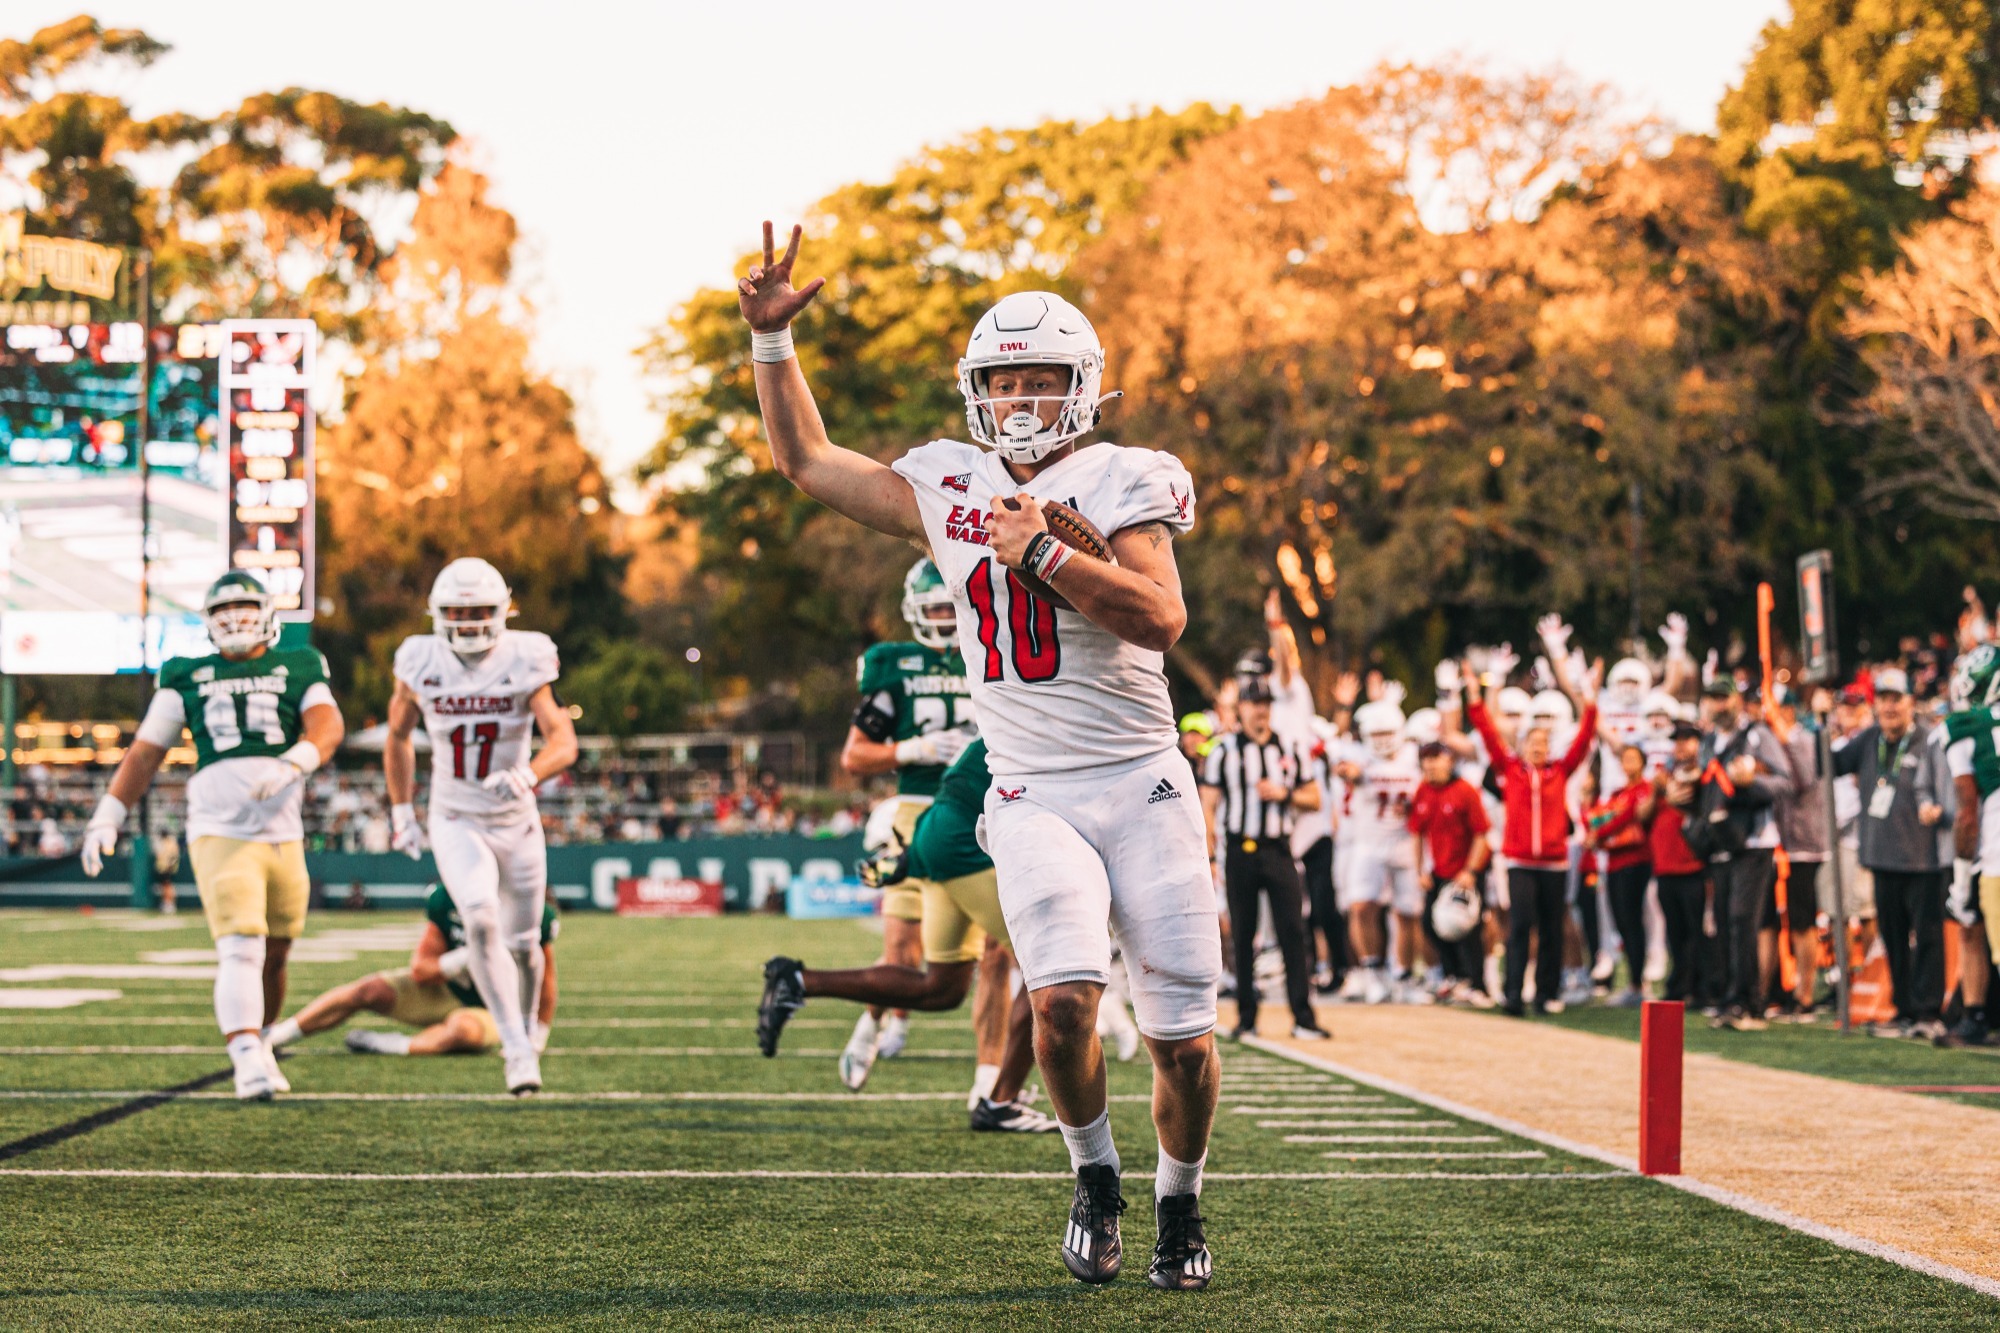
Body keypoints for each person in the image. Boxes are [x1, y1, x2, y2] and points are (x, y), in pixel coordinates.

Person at [738, 227, 1217, 1290]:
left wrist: (1043, 550)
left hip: (1141, 778)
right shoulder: (950, 485)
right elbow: (808, 461)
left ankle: (1179, 1200)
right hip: (1030, 786)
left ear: (1082, 385)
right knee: (1059, 1004)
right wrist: (772, 344)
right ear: (976, 390)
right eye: (1004, 380)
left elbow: (1160, 619)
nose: (1021, 398)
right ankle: (1094, 1176)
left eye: (1040, 377)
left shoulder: (1125, 477)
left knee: (1183, 1040)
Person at [79, 572, 344, 1100]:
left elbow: (327, 725)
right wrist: (109, 812)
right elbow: (147, 750)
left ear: (267, 614)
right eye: (223, 610)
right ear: (207, 621)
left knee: (276, 952)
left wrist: (296, 759)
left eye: (245, 607)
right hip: (219, 827)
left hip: (283, 832)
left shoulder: (299, 663)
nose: (235, 618)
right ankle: (245, 1056)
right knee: (242, 944)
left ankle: (261, 1040)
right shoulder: (187, 673)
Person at [759, 738, 1055, 1133]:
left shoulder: (1016, 718)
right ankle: (1000, 1102)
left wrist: (913, 856)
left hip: (937, 831)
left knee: (942, 988)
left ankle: (797, 981)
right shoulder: (1049, 719)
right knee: (1050, 966)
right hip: (963, 838)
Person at [384, 558, 579, 1095]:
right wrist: (401, 811)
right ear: (437, 613)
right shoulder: (419, 658)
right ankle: (515, 1049)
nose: (468, 623)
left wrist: (528, 774)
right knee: (479, 916)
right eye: (457, 612)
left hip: (515, 821)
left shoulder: (526, 654)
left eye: (478, 612)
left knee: (525, 946)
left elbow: (563, 740)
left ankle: (530, 1032)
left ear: (502, 611)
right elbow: (397, 737)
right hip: (456, 815)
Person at [835, 557, 976, 1090]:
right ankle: (871, 1023)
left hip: (983, 812)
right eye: (934, 608)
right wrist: (913, 748)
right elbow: (854, 756)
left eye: (950, 606)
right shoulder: (894, 665)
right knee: (901, 949)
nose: (944, 617)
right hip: (916, 813)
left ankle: (993, 1082)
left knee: (1001, 953)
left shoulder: (991, 653)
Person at [265, 883, 557, 1057]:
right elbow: (421, 970)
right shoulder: (447, 899)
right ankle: (276, 1037)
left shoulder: (531, 912)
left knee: (463, 1030)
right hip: (444, 989)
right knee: (368, 990)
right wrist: (464, 958)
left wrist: (538, 1034)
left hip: (493, 1006)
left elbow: (546, 981)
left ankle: (390, 1045)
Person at [1463, 661, 1596, 1016]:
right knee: (1520, 926)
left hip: (1554, 862)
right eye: (1532, 743)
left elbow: (1585, 739)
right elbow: (1487, 733)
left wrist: (1590, 699)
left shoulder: (1560, 771)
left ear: (1550, 748)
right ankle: (1513, 993)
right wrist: (1475, 697)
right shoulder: (1511, 771)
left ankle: (1546, 993)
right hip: (1519, 861)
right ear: (1522, 747)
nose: (1538, 748)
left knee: (1552, 928)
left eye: (1543, 743)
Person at [1197, 677, 1327, 1040]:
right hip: (1240, 850)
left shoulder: (1288, 747)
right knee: (1243, 934)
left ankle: (1303, 1017)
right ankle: (1247, 1017)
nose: (1261, 710)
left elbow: (1314, 798)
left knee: (1293, 932)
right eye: (1254, 703)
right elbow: (1208, 806)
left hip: (1279, 849)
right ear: (1241, 708)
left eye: (1266, 703)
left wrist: (1285, 794)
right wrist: (1210, 856)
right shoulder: (1224, 751)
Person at [1831, 667, 1949, 1039]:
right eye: (1883, 699)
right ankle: (1904, 1009)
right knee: (1893, 938)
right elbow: (1830, 764)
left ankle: (1928, 1012)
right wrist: (1821, 723)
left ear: (1911, 702)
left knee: (1927, 938)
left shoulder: (1929, 740)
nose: (1889, 707)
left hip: (1924, 858)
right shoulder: (1869, 739)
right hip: (1881, 857)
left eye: (1896, 699)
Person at [1695, 677, 1790, 1032]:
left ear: (1736, 701)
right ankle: (1730, 997)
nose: (1718, 705)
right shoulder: (1708, 742)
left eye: (1724, 698)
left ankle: (1749, 1002)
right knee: (1723, 920)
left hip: (1754, 840)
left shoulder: (1756, 735)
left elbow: (1785, 782)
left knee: (1742, 919)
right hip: (1721, 840)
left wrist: (1752, 782)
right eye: (1713, 699)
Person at [1336, 699, 1424, 1002]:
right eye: (1377, 734)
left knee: (1408, 912)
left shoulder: (1413, 755)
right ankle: (1372, 972)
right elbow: (1343, 767)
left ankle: (1404, 977)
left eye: (1388, 732)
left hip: (1405, 842)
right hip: (1368, 842)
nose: (1383, 740)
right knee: (1361, 907)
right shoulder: (1359, 755)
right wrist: (1350, 771)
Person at [1944, 644, 2000, 1045]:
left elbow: (1967, 813)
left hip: (1993, 852)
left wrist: (1961, 880)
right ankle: (1976, 1014)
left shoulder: (1967, 727)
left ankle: (1976, 1016)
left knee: (1972, 921)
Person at [1408, 740, 1491, 1003]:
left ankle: (1478, 984)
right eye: (1427, 761)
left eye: (1436, 759)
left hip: (1465, 871)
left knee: (1467, 928)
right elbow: (1417, 833)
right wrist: (1420, 870)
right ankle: (1454, 976)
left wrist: (1470, 871)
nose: (1431, 766)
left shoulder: (1465, 790)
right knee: (1431, 925)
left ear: (1449, 762)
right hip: (1439, 870)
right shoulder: (1423, 791)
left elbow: (1481, 834)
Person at [1769, 687, 1831, 1019]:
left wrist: (1783, 742)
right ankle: (1788, 990)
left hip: (1805, 845)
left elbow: (1804, 778)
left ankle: (1805, 993)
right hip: (1784, 843)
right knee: (1789, 921)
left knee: (1803, 921)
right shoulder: (1777, 741)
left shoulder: (1803, 740)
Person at [1649, 723, 1715, 1004]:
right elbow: (1646, 814)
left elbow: (1692, 801)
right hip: (1666, 865)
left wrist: (1670, 791)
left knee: (1698, 932)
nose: (1681, 745)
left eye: (1687, 740)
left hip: (1693, 865)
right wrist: (1658, 791)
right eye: (1677, 740)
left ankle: (1703, 987)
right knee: (1675, 934)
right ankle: (1680, 985)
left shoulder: (1703, 772)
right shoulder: (1665, 775)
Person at [1584, 743, 1653, 1005]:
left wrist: (1600, 832)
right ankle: (1634, 980)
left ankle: (1638, 982)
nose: (1628, 764)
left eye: (1633, 758)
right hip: (1614, 862)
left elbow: (1623, 816)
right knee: (1622, 922)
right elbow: (1597, 818)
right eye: (1625, 759)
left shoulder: (1643, 790)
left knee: (1631, 920)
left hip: (1635, 860)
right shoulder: (1618, 793)